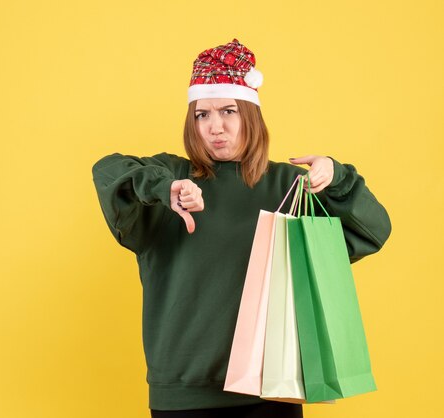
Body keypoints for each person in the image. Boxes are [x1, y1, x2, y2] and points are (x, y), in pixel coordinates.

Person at [92, 38, 391, 418]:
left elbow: (374, 229)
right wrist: (164, 189)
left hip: (271, 391)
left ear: (250, 114)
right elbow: (108, 170)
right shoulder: (172, 179)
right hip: (183, 396)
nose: (215, 127)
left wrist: (338, 179)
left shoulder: (289, 188)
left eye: (228, 111)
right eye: (202, 115)